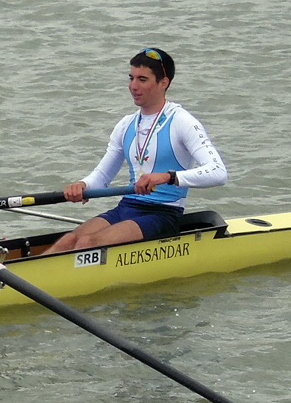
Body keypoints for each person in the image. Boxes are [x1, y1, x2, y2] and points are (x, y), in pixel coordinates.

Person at [44, 48, 227, 254]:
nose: (133, 86)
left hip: (163, 213)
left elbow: (218, 172)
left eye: (142, 79)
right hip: (127, 206)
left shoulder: (182, 122)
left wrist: (167, 177)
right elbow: (102, 177)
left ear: (163, 82)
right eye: (131, 78)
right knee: (68, 241)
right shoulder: (126, 124)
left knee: (88, 243)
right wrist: (82, 185)